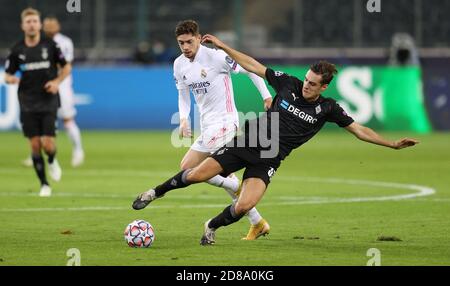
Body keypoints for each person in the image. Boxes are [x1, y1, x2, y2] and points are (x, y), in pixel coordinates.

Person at [132, 33, 419, 246]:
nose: (306, 84)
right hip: (247, 142)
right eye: (306, 79)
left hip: (270, 158)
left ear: (324, 87)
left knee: (243, 206)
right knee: (195, 174)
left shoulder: (328, 108)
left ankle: (211, 227)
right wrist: (222, 46)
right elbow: (254, 66)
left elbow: (359, 130)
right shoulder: (288, 83)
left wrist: (391, 144)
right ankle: (154, 193)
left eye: (312, 83)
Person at [134, 20, 273, 240]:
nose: (186, 47)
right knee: (194, 169)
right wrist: (183, 120)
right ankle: (256, 221)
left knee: (195, 169)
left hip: (227, 121)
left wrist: (266, 96)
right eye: (181, 43)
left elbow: (250, 70)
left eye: (190, 41)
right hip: (207, 125)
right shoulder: (179, 64)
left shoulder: (216, 57)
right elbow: (183, 95)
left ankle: (232, 190)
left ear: (199, 38)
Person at [4, 8, 72, 197]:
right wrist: (11, 79)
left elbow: (66, 66)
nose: (32, 24)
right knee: (35, 145)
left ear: (40, 24)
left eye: (35, 21)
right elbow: (8, 74)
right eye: (28, 21)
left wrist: (57, 82)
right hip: (27, 102)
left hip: (49, 100)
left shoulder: (50, 45)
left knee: (48, 144)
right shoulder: (17, 50)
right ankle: (44, 184)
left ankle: (51, 159)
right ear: (23, 25)